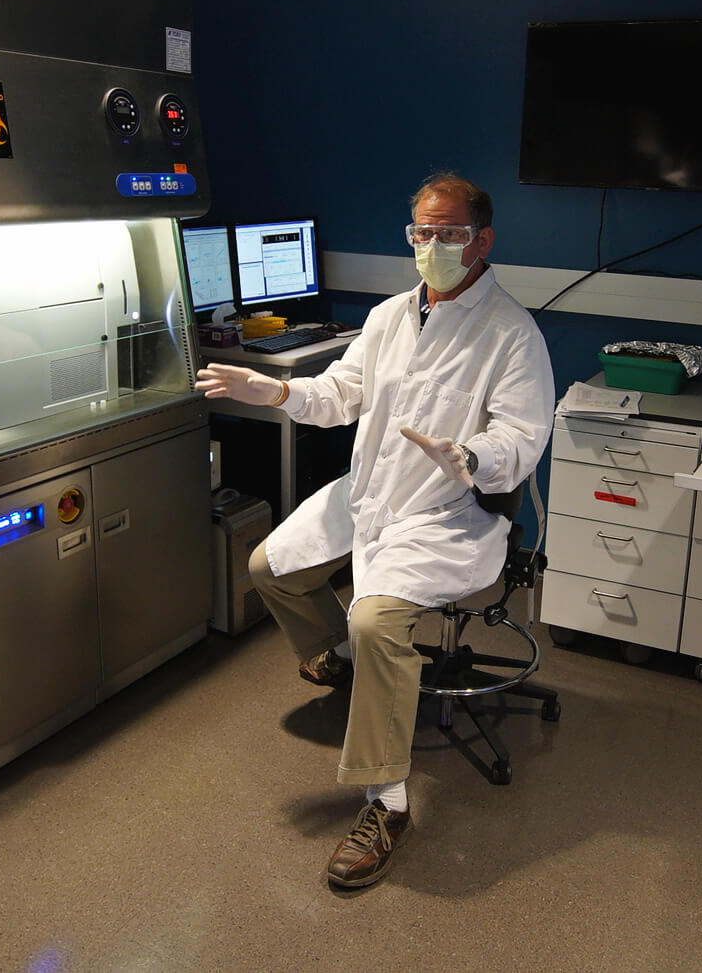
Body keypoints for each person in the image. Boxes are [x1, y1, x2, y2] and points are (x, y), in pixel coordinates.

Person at [195, 173, 554, 887]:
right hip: (371, 496)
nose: (432, 245)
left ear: (482, 240)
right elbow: (340, 394)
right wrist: (278, 391)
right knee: (270, 566)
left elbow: (523, 435)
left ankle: (387, 801)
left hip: (447, 515)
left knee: (378, 619)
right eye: (421, 231)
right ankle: (346, 663)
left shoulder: (512, 333)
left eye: (449, 233)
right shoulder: (390, 316)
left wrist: (474, 455)